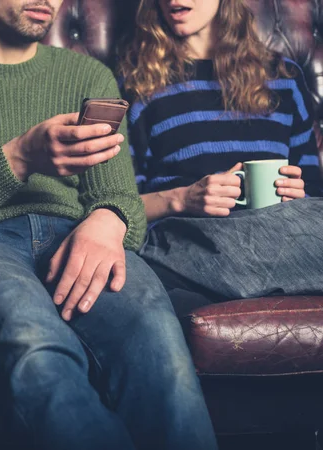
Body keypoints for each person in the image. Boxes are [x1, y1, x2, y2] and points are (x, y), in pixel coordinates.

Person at [0, 1, 217, 449]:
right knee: (31, 332)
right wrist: (18, 158)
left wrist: (108, 219)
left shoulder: (88, 76)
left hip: (74, 233)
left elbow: (119, 199)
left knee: (155, 338)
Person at [120, 0, 323, 311]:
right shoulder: (138, 83)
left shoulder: (284, 77)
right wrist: (184, 198)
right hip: (191, 241)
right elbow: (117, 205)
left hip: (279, 234)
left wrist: (299, 192)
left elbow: (313, 194)